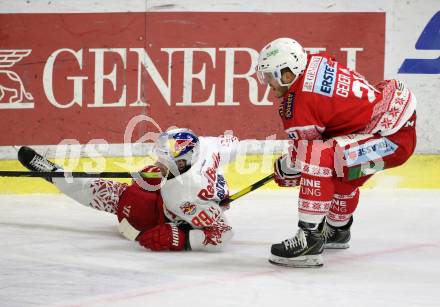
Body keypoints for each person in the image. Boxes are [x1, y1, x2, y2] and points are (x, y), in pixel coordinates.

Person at [255, 38, 417, 267]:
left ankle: (309, 240)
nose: (269, 84)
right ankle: (338, 229)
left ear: (288, 74)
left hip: (390, 140)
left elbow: (305, 155)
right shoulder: (314, 61)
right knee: (339, 167)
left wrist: (284, 168)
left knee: (315, 158)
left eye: (271, 76)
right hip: (394, 123)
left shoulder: (298, 106)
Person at [18, 128, 238, 252]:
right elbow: (233, 142)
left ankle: (58, 178)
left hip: (166, 218)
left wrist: (184, 240)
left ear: (181, 164)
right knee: (124, 191)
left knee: (134, 201)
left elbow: (223, 234)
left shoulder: (183, 196)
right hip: (189, 200)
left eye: (164, 160)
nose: (159, 162)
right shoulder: (208, 145)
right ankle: (56, 174)